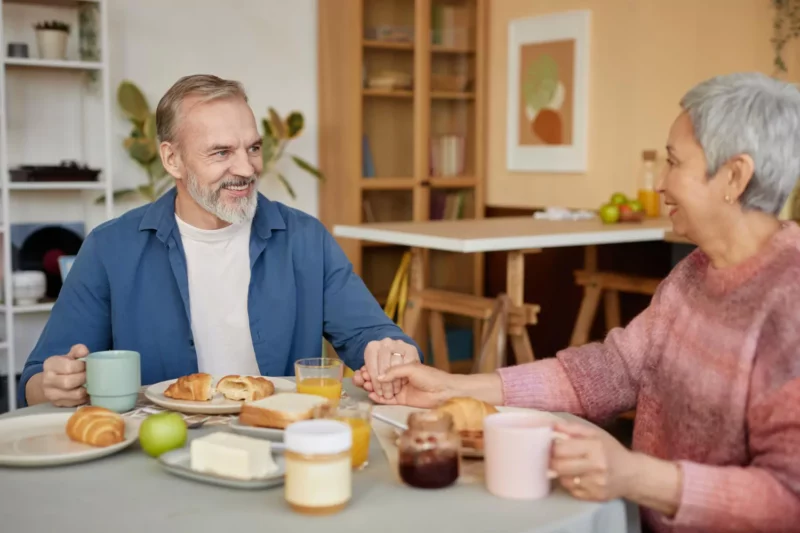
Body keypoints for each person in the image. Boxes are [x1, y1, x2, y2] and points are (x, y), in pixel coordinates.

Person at [354, 72, 800, 532]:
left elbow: (790, 499)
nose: (661, 184)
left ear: (735, 176)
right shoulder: (694, 272)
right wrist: (452, 387)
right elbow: (613, 371)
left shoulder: (790, 303)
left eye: (673, 162)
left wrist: (634, 475)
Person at [20, 74, 421, 408]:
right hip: (158, 451)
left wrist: (391, 353)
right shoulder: (110, 249)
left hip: (277, 440)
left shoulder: (305, 239)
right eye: (221, 152)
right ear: (172, 159)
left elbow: (373, 335)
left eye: (253, 148)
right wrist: (55, 383)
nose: (246, 168)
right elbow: (38, 379)